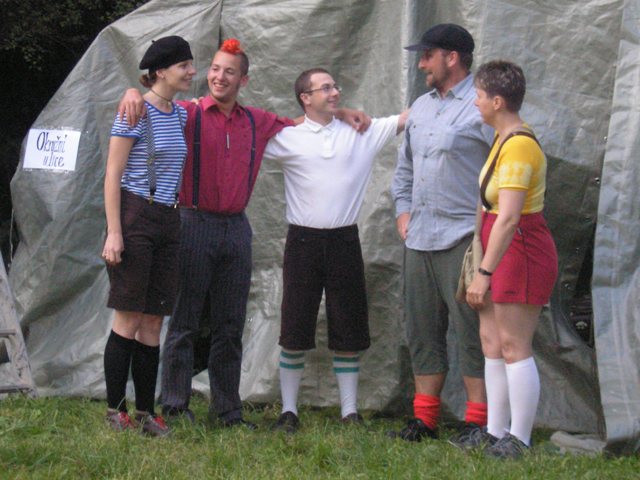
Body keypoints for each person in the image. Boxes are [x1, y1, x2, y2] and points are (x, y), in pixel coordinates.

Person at [118, 39, 370, 428]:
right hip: (193, 222)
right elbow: (156, 103)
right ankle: (175, 405)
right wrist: (132, 91)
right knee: (184, 321)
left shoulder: (257, 120)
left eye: (229, 72)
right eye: (215, 69)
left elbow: (306, 120)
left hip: (237, 228)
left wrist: (342, 111)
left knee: (230, 324)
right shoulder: (187, 113)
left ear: (244, 80)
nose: (219, 77)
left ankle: (227, 410)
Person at [262, 68, 407, 433]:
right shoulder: (287, 137)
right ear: (305, 98)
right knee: (295, 327)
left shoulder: (361, 132)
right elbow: (247, 132)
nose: (334, 92)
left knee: (349, 326)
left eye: (335, 87)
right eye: (324, 88)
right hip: (302, 243)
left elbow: (407, 118)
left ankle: (350, 411)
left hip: (344, 241)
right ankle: (289, 411)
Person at [389, 24, 494, 441]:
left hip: (464, 239)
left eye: (427, 55)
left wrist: (488, 230)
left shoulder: (482, 105)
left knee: (472, 333)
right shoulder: (421, 106)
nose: (421, 64)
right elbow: (404, 169)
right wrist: (403, 212)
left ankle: (478, 422)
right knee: (421, 332)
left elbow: (503, 170)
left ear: (452, 58)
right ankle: (425, 420)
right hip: (419, 240)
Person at [459, 60, 558, 459]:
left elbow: (510, 217)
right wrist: (482, 260)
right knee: (492, 342)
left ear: (497, 101)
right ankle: (495, 431)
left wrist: (483, 273)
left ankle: (520, 438)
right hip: (498, 247)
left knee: (515, 345)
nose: (476, 103)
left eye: (480, 96)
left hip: (520, 250)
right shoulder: (502, 138)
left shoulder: (518, 145)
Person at [102, 35, 195, 436]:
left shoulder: (180, 114)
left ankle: (145, 413)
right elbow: (112, 175)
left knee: (154, 319)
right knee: (128, 316)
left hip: (169, 218)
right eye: (184, 66)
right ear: (161, 71)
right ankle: (115, 411)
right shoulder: (134, 112)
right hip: (136, 214)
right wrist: (114, 232)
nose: (192, 71)